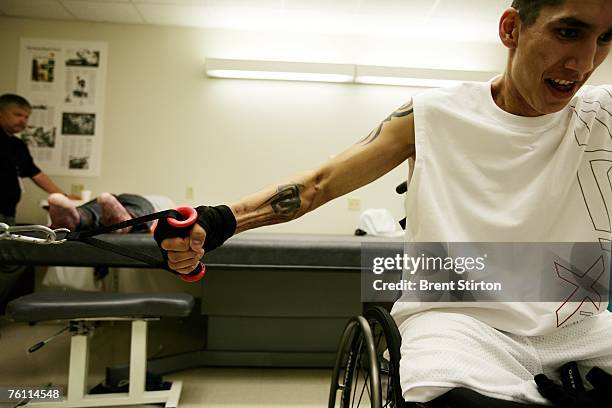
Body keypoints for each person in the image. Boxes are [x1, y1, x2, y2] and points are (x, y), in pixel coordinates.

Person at [156, 0, 612, 405]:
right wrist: (217, 222)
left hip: (580, 329)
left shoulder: (602, 115)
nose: (586, 60)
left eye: (607, 38)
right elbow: (320, 182)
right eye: (568, 32)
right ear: (511, 29)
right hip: (458, 323)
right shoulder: (435, 114)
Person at [0, 94, 68, 311]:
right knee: (13, 259)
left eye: (26, 117)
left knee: (14, 260)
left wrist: (64, 198)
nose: (23, 121)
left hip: (7, 215)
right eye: (17, 114)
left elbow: (36, 174)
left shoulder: (17, 145)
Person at [47, 192, 176, 233]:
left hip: (130, 201)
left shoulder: (167, 204)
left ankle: (78, 217)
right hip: (134, 201)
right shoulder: (169, 204)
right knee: (138, 210)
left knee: (94, 211)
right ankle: (124, 220)